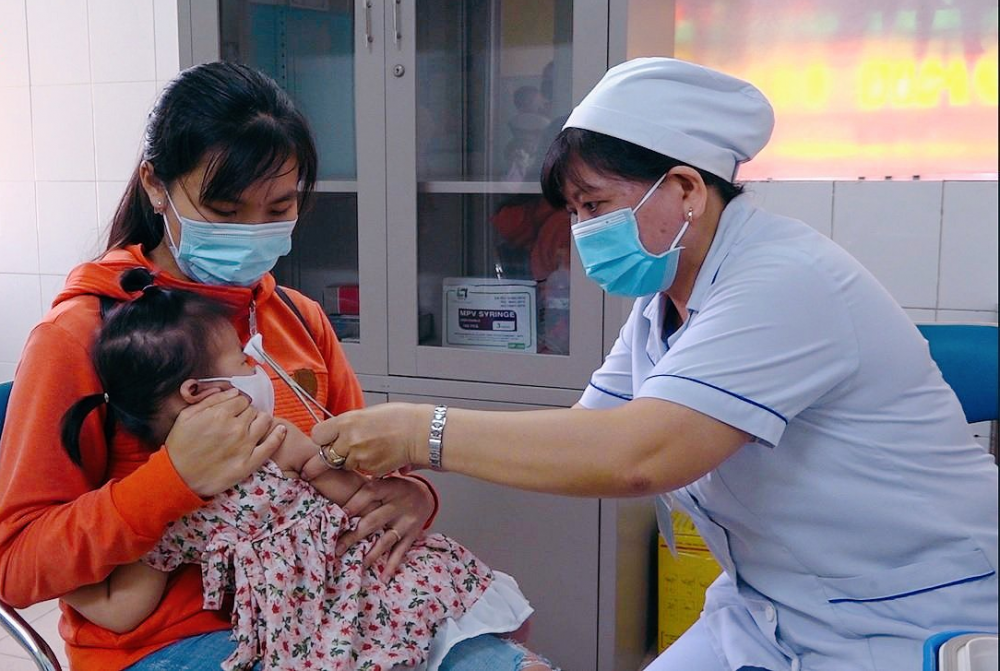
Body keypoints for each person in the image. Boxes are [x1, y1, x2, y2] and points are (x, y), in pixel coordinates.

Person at [301, 57, 999, 671]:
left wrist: (420, 432)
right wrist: (421, 485)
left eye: (595, 205)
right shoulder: (666, 301)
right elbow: (585, 440)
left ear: (686, 189)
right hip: (771, 606)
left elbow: (639, 454)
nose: (581, 232)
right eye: (575, 211)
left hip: (907, 610)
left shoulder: (784, 279)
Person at [0, 62, 548, 671]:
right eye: (224, 210)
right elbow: (15, 566)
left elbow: (362, 469)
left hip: (338, 611)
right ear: (156, 186)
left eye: (279, 207)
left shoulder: (297, 318)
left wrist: (412, 497)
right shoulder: (83, 335)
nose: (253, 234)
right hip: (174, 643)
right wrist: (172, 480)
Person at [58, 267, 542, 671]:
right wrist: (59, 567)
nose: (259, 372)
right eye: (244, 362)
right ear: (198, 392)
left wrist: (411, 490)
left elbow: (121, 607)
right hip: (331, 612)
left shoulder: (179, 502)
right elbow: (354, 494)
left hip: (337, 603)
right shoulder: (188, 486)